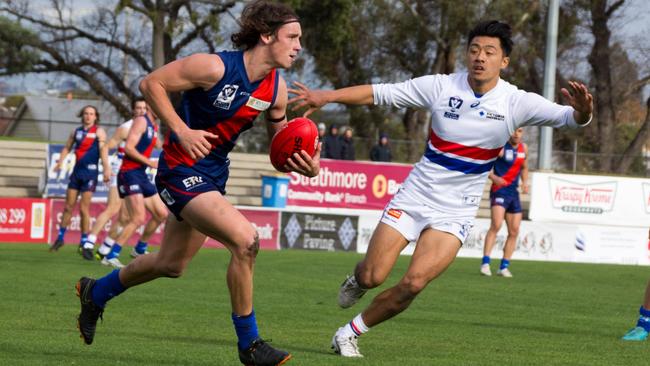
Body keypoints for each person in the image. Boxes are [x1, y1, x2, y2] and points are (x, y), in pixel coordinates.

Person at [289, 20, 593, 358]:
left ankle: (349, 333)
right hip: (416, 195)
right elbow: (380, 93)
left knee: (414, 283)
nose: (480, 57)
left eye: (490, 52)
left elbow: (569, 117)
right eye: (474, 49)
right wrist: (327, 95)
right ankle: (358, 280)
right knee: (374, 275)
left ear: (503, 61)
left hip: (456, 210)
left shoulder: (515, 102)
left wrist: (583, 111)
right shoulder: (440, 86)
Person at [74, 2, 319, 365]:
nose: (299, 46)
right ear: (266, 35)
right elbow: (150, 82)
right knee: (246, 240)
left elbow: (279, 148)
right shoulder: (214, 67)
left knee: (172, 264)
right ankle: (250, 346)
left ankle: (96, 292)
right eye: (292, 37)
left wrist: (304, 162)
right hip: (178, 169)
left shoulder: (275, 91)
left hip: (213, 176)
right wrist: (182, 129)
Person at [80, 97, 160, 262]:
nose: (141, 111)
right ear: (133, 110)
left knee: (125, 216)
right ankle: (89, 242)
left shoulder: (149, 126)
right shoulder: (126, 128)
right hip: (121, 170)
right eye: (138, 108)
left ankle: (105, 249)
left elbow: (158, 145)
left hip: (138, 172)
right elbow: (106, 147)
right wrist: (107, 167)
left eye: (144, 108)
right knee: (114, 208)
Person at [101, 108, 168, 269]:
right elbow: (129, 148)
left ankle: (139, 249)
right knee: (138, 218)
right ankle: (110, 256)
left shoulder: (154, 126)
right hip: (129, 173)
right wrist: (150, 162)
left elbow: (161, 145)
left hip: (140, 174)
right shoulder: (141, 121)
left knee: (161, 213)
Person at [50, 105, 111, 252]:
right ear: (82, 115)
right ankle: (60, 238)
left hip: (90, 174)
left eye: (91, 114)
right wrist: (60, 162)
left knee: (84, 209)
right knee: (68, 207)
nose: (88, 116)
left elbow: (103, 151)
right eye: (86, 113)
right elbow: (67, 148)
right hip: (76, 173)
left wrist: (107, 168)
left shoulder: (99, 132)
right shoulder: (76, 131)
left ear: (96, 117)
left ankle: (84, 241)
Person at [480, 127, 528, 277]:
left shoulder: (523, 148)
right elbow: (485, 165)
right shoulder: (500, 147)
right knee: (496, 225)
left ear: (522, 133)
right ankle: (485, 263)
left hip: (513, 193)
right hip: (499, 190)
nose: (516, 134)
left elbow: (525, 167)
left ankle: (504, 266)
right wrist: (494, 178)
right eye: (514, 131)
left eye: (519, 131)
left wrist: (525, 182)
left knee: (514, 231)